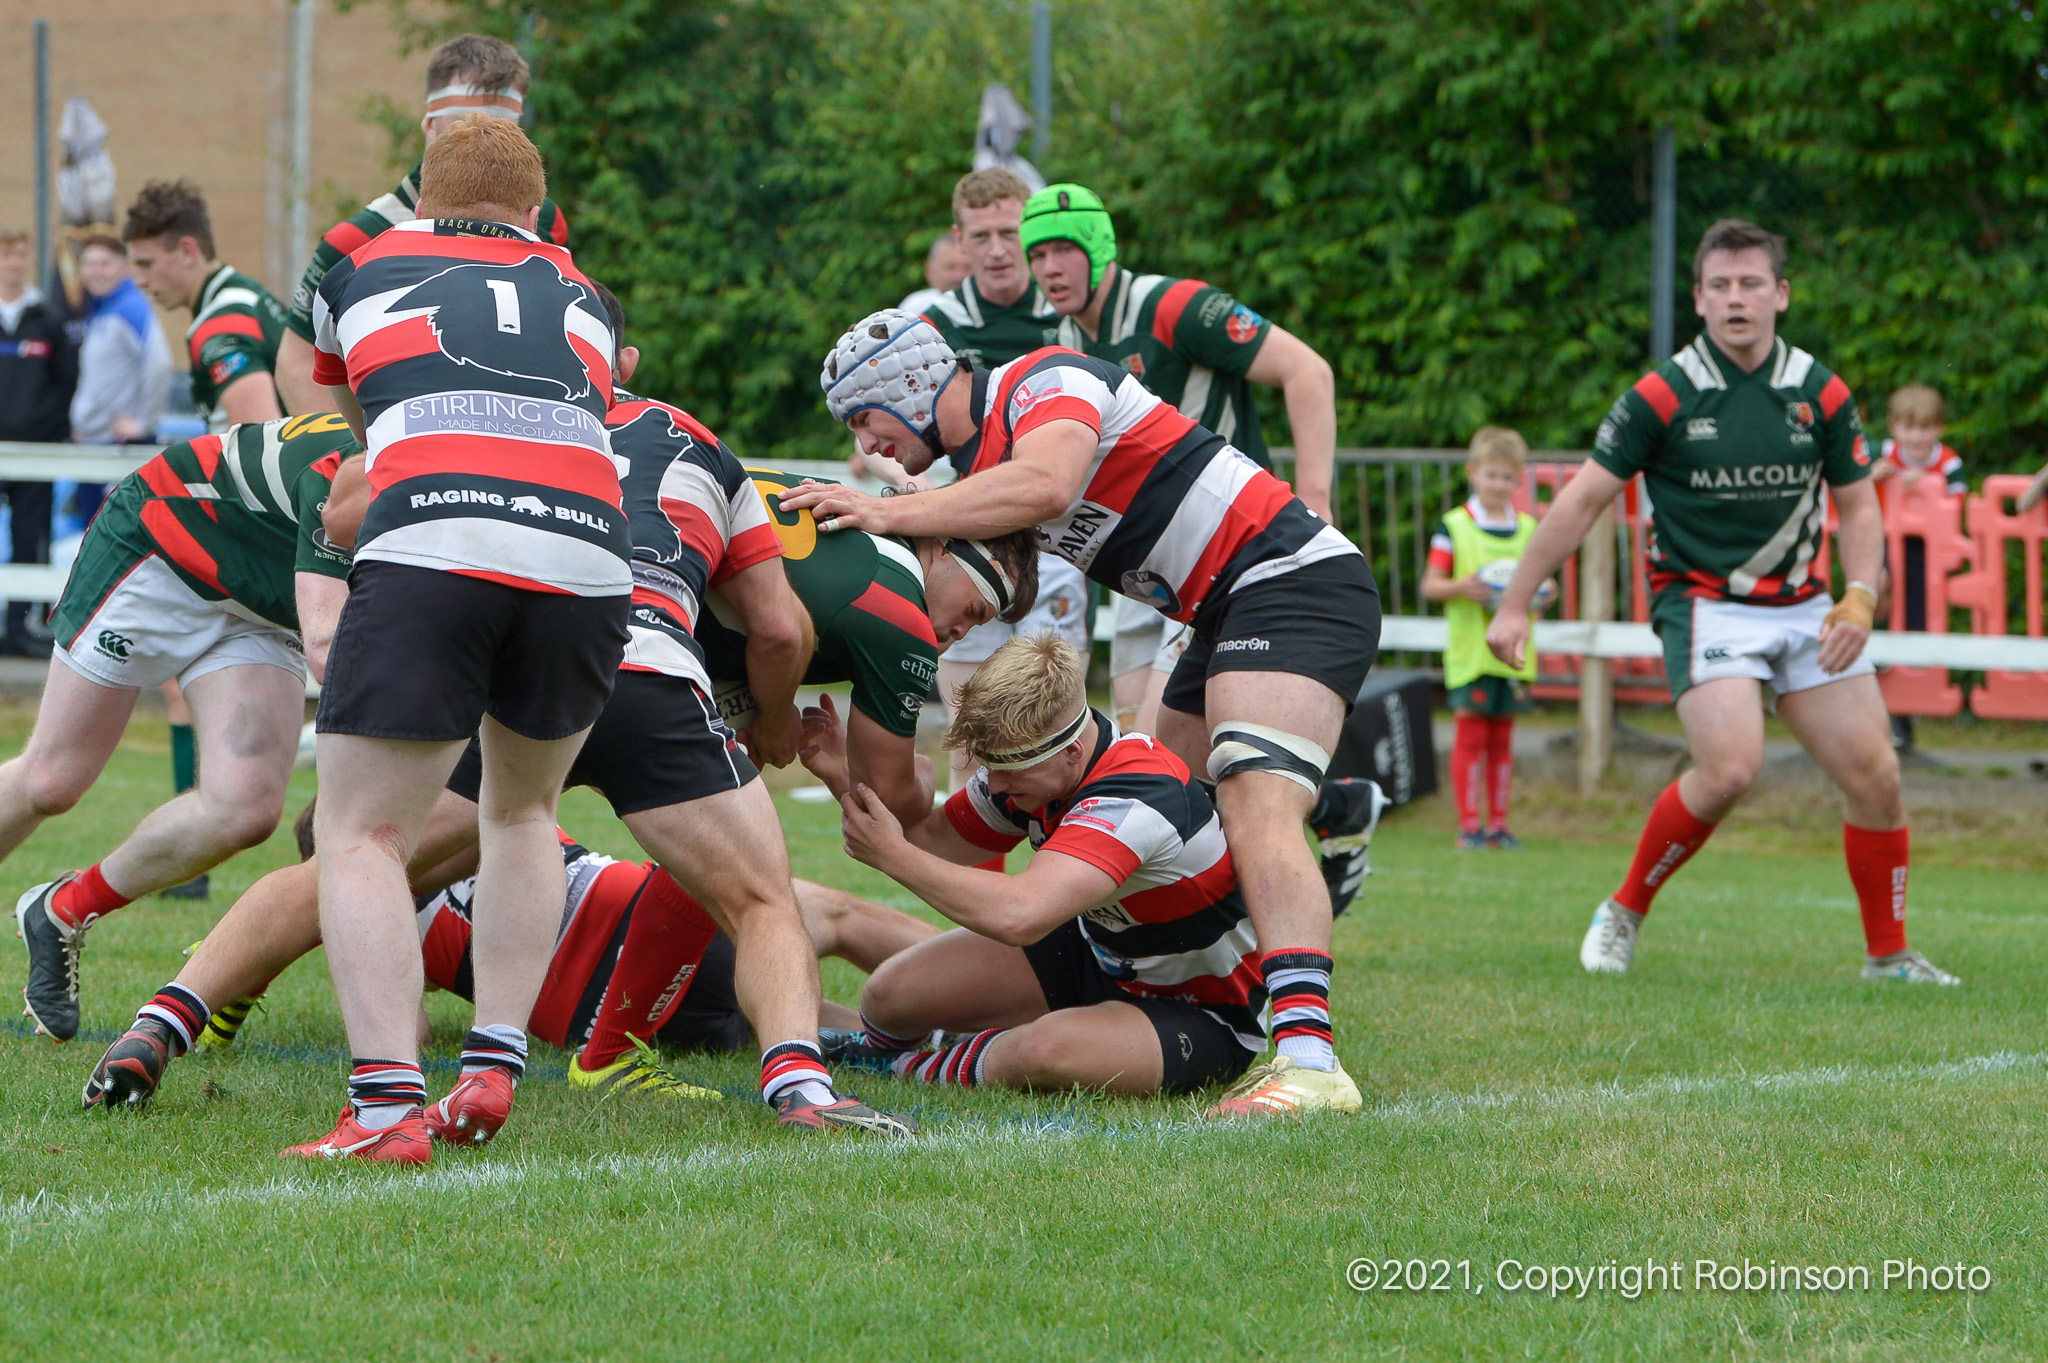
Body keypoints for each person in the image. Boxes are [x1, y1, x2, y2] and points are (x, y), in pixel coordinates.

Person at [785, 308, 1382, 1116]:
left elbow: (1050, 483)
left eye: (865, 420)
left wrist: (888, 512)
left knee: (1245, 801)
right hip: (1223, 606)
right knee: (1175, 806)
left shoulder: (1040, 381)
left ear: (913, 383)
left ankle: (1307, 1057)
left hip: (1290, 578)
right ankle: (1261, 906)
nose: (867, 448)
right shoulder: (985, 461)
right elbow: (966, 535)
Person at [1485, 218, 1959, 987]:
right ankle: (1624, 909)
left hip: (1806, 606)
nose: (1736, 299)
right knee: (1732, 767)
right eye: (1720, 286)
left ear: (1781, 294)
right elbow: (1581, 501)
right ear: (1698, 300)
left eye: (1751, 284)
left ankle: (1889, 956)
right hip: (1703, 603)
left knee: (1877, 775)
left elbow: (1861, 508)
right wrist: (1512, 604)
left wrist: (1861, 595)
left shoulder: (1820, 390)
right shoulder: (1659, 395)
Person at [292, 116, 636, 1164]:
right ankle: (490, 1062)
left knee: (359, 833)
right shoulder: (586, 291)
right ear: (534, 211)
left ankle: (389, 1108)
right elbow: (590, 402)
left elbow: (362, 419)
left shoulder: (361, 264)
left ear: (423, 199)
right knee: (524, 808)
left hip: (435, 534)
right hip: (588, 552)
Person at [83, 808, 941, 1111]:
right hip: (638, 935)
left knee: (827, 1022)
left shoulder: (388, 924)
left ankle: (943, 1039)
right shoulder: (472, 828)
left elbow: (407, 1030)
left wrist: (246, 989)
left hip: (600, 1012)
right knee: (813, 911)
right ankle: (1002, 977)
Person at [7, 414, 357, 1041]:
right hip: (162, 548)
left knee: (245, 809)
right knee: (52, 779)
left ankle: (62, 909)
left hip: (262, 595)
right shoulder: (356, 471)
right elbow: (336, 653)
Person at [828, 635, 1267, 1099]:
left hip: (1204, 1012)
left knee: (1042, 1052)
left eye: (1008, 768)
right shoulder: (1035, 768)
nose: (994, 783)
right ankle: (937, 1045)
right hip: (1095, 955)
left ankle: (912, 1067)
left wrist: (894, 856)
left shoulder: (1135, 796)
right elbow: (933, 843)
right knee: (888, 996)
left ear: (1072, 752)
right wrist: (845, 775)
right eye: (988, 764)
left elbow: (1019, 915)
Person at [1018, 182, 1339, 735]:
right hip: (1142, 565)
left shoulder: (1177, 305)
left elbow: (1308, 371)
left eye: (1065, 249)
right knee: (1133, 734)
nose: (1051, 268)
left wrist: (1315, 497)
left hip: (1219, 549)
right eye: (1038, 255)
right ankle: (1340, 806)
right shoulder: (1063, 341)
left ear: (1100, 248)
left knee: (1155, 748)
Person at [701, 466, 1042, 828]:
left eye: (976, 625)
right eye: (973, 611)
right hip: (660, 598)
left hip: (667, 519)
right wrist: (923, 775)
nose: (961, 631)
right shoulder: (899, 616)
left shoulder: (856, 525)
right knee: (728, 820)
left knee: (720, 791)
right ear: (943, 548)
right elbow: (889, 802)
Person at [273, 33, 570, 416]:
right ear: (429, 125)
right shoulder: (361, 237)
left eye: (504, 128)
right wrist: (350, 457)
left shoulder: (543, 217)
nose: (482, 143)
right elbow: (297, 361)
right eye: (463, 125)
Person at [913, 169, 1089, 805]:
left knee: (1062, 724)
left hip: (1057, 547)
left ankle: (1066, 891)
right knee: (966, 740)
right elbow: (878, 443)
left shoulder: (1069, 316)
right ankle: (971, 906)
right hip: (966, 546)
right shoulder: (932, 321)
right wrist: (923, 495)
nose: (996, 248)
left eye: (1009, 232)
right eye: (980, 235)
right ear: (960, 238)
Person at [1421, 426, 1554, 850]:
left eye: (1508, 478)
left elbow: (1547, 587)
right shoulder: (1455, 526)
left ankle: (1499, 825)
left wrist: (1544, 593)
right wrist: (1464, 587)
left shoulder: (1530, 528)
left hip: (1513, 654)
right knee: (1472, 737)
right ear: (1473, 473)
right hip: (1471, 654)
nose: (1499, 485)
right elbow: (1431, 585)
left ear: (1519, 481)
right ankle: (1468, 826)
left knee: (1502, 740)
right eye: (1491, 475)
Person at [121, 180, 286, 432]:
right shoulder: (248, 294)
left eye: (146, 264)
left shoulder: (221, 324)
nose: (140, 281)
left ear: (187, 252)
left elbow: (263, 440)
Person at [1870, 384, 1967, 751]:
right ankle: (1874, 647)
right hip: (1883, 541)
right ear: (1894, 427)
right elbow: (1852, 480)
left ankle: (1903, 723)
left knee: (1913, 623)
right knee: (1877, 587)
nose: (1916, 436)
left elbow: (1959, 496)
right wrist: (1873, 474)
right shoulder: (1885, 453)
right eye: (1908, 428)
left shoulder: (1947, 461)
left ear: (1938, 429)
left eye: (1924, 428)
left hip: (1924, 552)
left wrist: (1928, 484)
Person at [0, 224, 78, 656]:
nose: (13, 263)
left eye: (19, 255)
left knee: (30, 539)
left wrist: (45, 429)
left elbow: (66, 383)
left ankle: (18, 627)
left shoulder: (47, 321)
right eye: (6, 255)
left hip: (34, 453)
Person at [68, 233, 171, 529]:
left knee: (114, 539)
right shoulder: (102, 310)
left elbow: (160, 364)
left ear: (124, 266)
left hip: (118, 449)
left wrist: (144, 423)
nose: (95, 271)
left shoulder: (131, 307)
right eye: (88, 264)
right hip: (94, 444)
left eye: (104, 263)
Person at [897, 232, 972, 315]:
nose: (959, 276)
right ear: (929, 270)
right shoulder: (914, 309)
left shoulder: (987, 309)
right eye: (950, 267)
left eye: (967, 267)